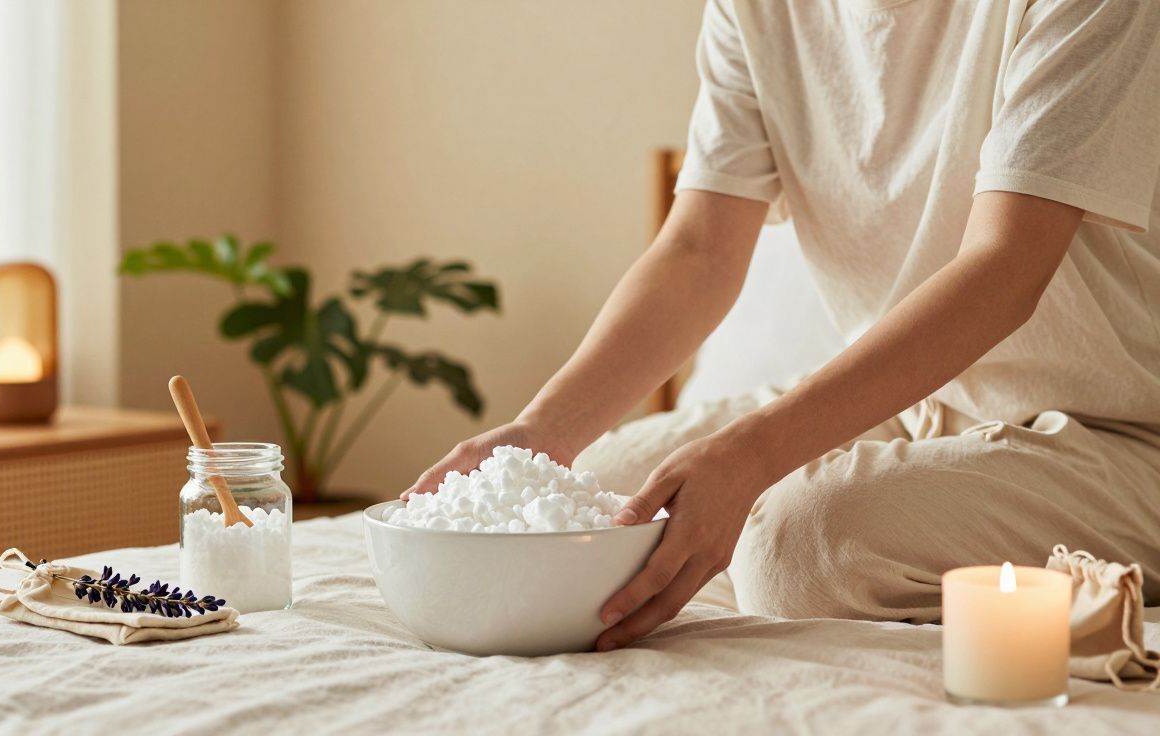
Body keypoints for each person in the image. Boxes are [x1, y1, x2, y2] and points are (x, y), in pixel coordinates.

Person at [407, 0, 1160, 651]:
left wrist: (754, 454)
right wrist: (545, 434)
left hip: (1121, 435)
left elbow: (1004, 268)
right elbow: (700, 250)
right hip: (914, 407)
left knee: (795, 548)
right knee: (590, 499)